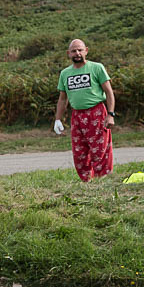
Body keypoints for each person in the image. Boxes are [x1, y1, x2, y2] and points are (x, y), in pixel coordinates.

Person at [53, 39, 115, 182]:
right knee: (79, 152)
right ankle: (86, 181)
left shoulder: (97, 68)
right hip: (77, 115)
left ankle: (103, 180)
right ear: (68, 53)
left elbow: (109, 92)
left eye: (80, 50)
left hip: (97, 113)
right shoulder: (65, 74)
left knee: (99, 150)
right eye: (74, 51)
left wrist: (110, 114)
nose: (77, 53)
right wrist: (57, 119)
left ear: (86, 50)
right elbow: (63, 99)